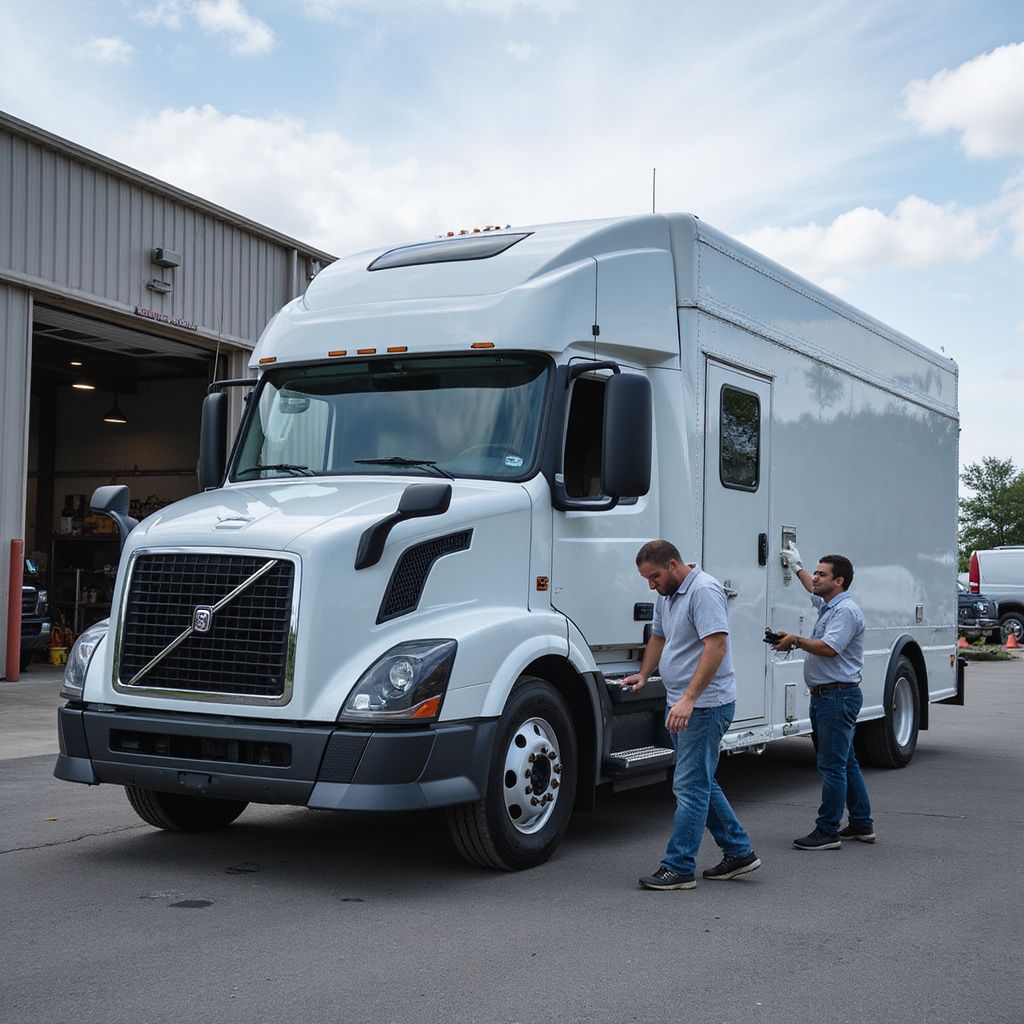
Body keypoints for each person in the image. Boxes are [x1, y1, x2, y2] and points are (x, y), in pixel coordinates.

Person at [622, 540, 760, 890]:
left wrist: (688, 699)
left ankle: (679, 867)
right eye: (646, 580)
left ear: (672, 564)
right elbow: (658, 637)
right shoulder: (666, 594)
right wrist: (644, 673)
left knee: (689, 786)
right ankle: (739, 852)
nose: (651, 585)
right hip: (681, 702)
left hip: (704, 706)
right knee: (700, 781)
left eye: (654, 576)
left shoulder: (704, 591)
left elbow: (717, 646)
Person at [774, 546, 875, 850]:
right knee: (845, 763)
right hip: (830, 696)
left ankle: (827, 830)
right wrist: (796, 566)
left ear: (839, 581)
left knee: (831, 766)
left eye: (821, 574)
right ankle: (861, 823)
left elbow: (830, 648)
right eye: (815, 573)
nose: (815, 578)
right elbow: (811, 590)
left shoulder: (844, 611)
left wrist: (795, 640)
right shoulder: (831, 605)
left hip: (836, 696)